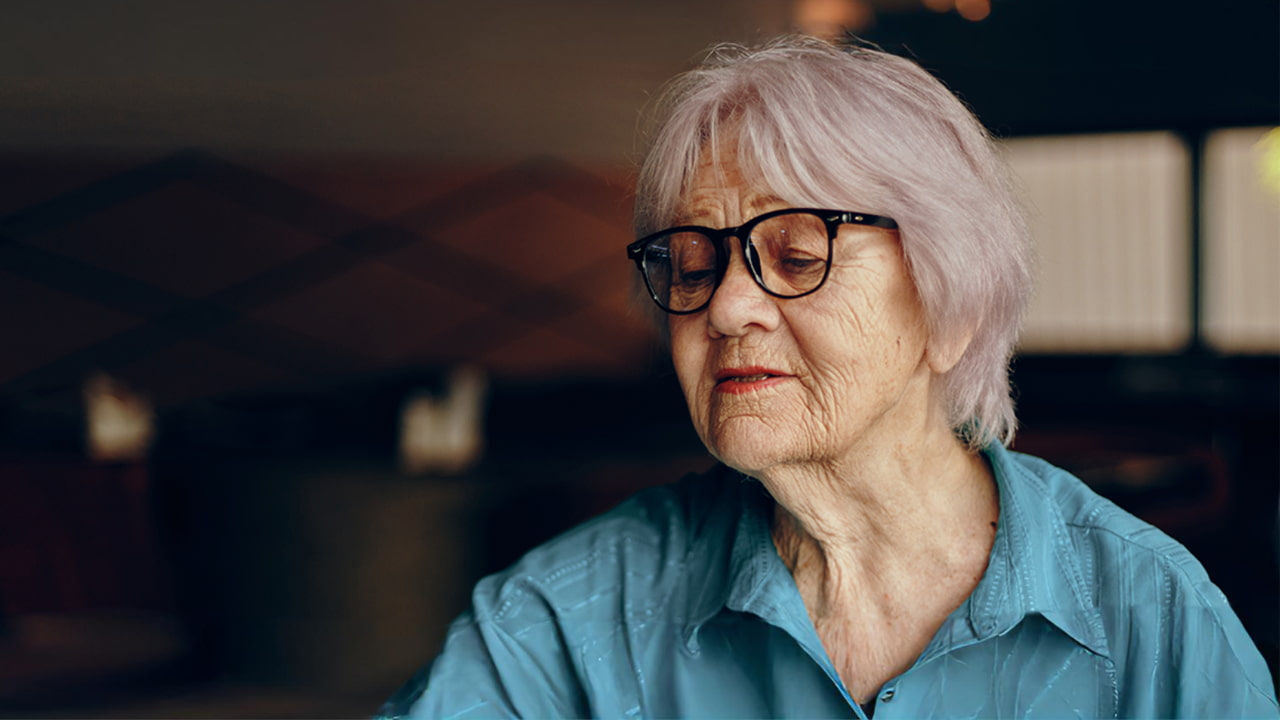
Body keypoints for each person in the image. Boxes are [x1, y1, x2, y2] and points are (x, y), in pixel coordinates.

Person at [379, 36, 1278, 718]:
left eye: (797, 254)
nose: (726, 309)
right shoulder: (573, 617)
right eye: (692, 268)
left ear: (950, 310)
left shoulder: (1151, 620)